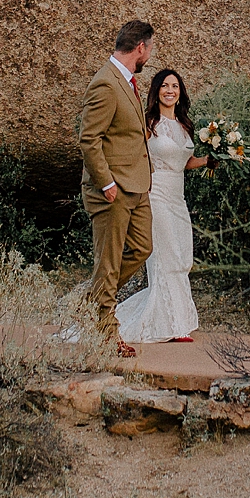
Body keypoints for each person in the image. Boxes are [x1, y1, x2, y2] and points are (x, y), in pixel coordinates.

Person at [115, 67, 211, 343]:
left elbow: (183, 162)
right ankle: (169, 325)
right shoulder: (149, 123)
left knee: (182, 257)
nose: (170, 90)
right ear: (156, 92)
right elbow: (132, 152)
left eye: (175, 86)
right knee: (165, 256)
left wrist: (208, 160)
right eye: (165, 86)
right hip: (155, 195)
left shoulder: (185, 124)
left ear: (180, 93)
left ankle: (176, 321)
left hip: (177, 198)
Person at [80, 20, 156, 356]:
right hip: (112, 190)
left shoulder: (128, 82)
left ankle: (92, 299)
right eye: (150, 48)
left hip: (137, 187)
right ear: (140, 47)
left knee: (142, 248)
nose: (149, 54)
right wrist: (106, 182)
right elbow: (89, 139)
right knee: (109, 262)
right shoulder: (106, 84)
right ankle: (107, 334)